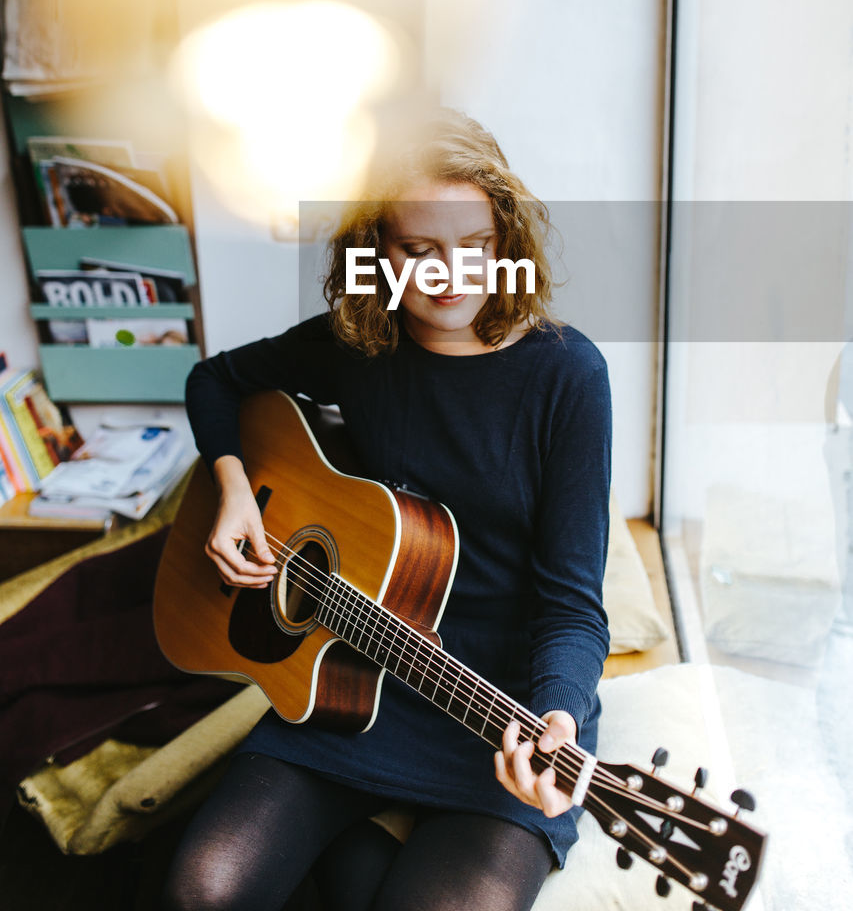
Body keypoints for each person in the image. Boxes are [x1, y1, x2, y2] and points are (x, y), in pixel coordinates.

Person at [160, 108, 611, 911]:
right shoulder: (359, 345)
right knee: (204, 887)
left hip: (495, 707)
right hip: (353, 674)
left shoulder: (567, 376)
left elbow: (573, 603)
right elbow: (214, 380)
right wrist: (233, 488)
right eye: (419, 250)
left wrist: (557, 719)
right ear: (376, 255)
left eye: (476, 247)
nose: (452, 276)